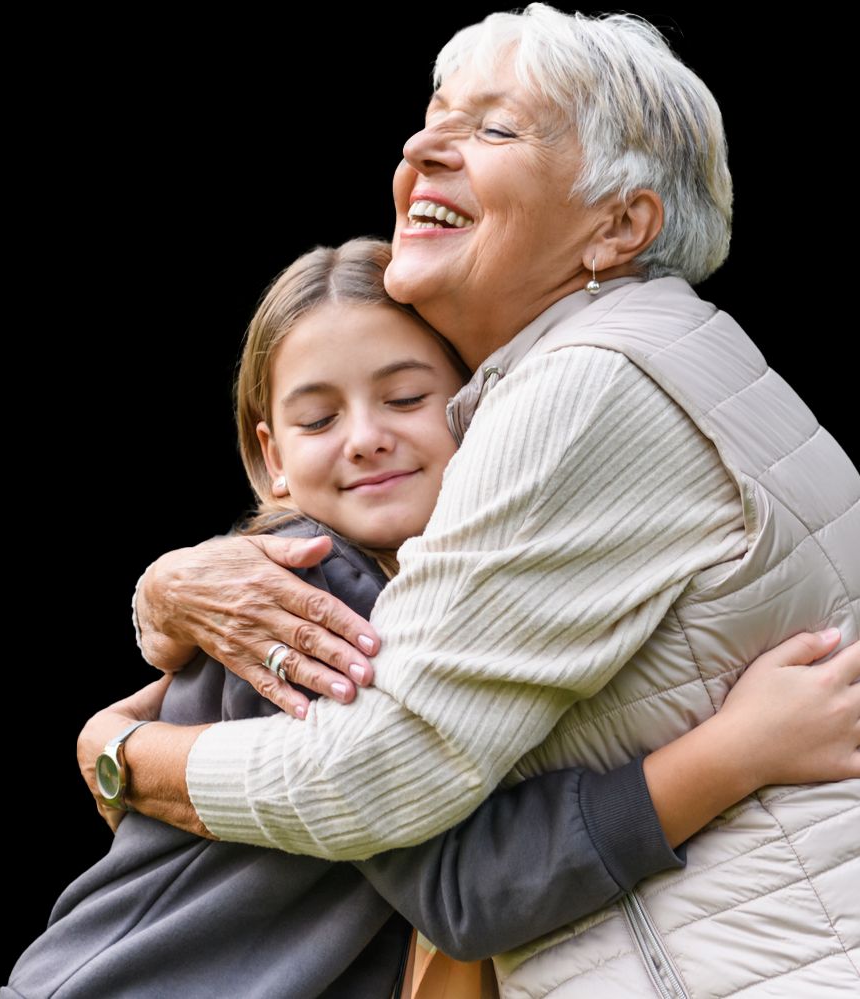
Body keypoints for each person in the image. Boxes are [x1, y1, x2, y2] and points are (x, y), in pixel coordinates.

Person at [71, 6, 860, 997]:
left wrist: (119, 753)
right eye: (433, 115)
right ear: (270, 456)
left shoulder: (582, 391)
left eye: (490, 128)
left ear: (618, 226)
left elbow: (378, 777)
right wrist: (169, 586)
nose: (420, 145)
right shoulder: (652, 357)